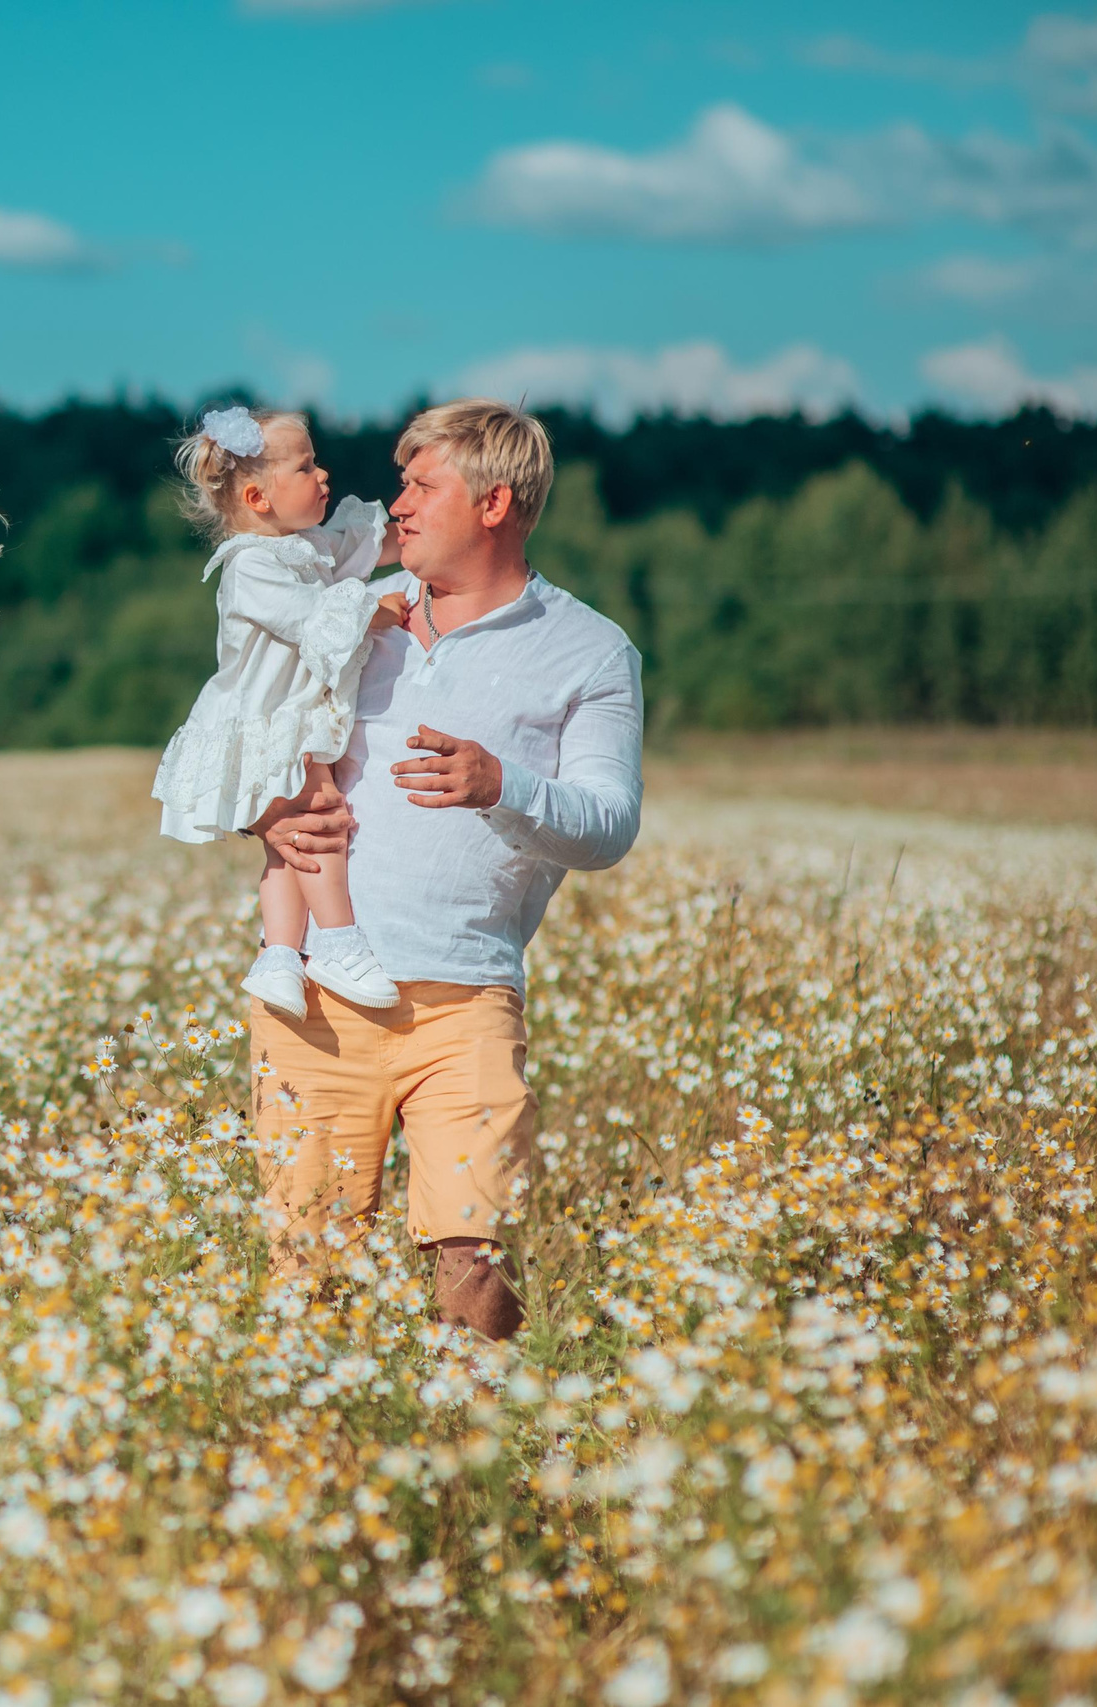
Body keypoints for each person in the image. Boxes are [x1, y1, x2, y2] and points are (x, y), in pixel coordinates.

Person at [248, 400, 643, 1341]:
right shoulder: (349, 619)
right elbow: (243, 740)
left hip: (465, 1002)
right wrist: (263, 814)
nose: (398, 505)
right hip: (312, 1005)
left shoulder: (590, 651)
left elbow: (611, 825)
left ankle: (477, 1470)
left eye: (424, 485)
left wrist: (501, 782)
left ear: (496, 503)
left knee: (477, 1264)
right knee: (308, 1280)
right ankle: (322, 1469)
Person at [152, 406, 410, 1019]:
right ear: (257, 497)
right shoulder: (250, 565)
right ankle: (341, 942)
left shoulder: (304, 549)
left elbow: (363, 546)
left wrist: (414, 529)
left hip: (283, 723)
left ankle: (278, 958)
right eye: (306, 466)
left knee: (284, 847)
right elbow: (310, 620)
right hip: (263, 726)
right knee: (321, 817)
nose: (324, 475)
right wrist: (374, 610)